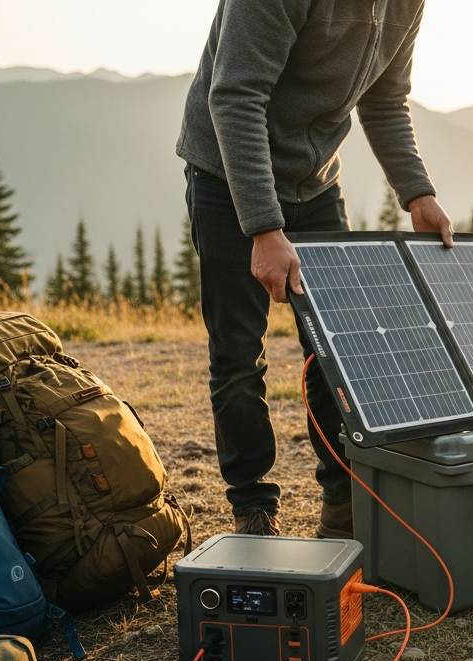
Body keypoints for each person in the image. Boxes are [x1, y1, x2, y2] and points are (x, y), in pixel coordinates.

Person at [177, 0, 453, 539]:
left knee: (337, 350)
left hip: (316, 181)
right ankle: (252, 506)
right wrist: (264, 228)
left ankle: (343, 500)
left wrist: (417, 192)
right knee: (238, 355)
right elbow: (235, 96)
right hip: (228, 176)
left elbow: (386, 99)